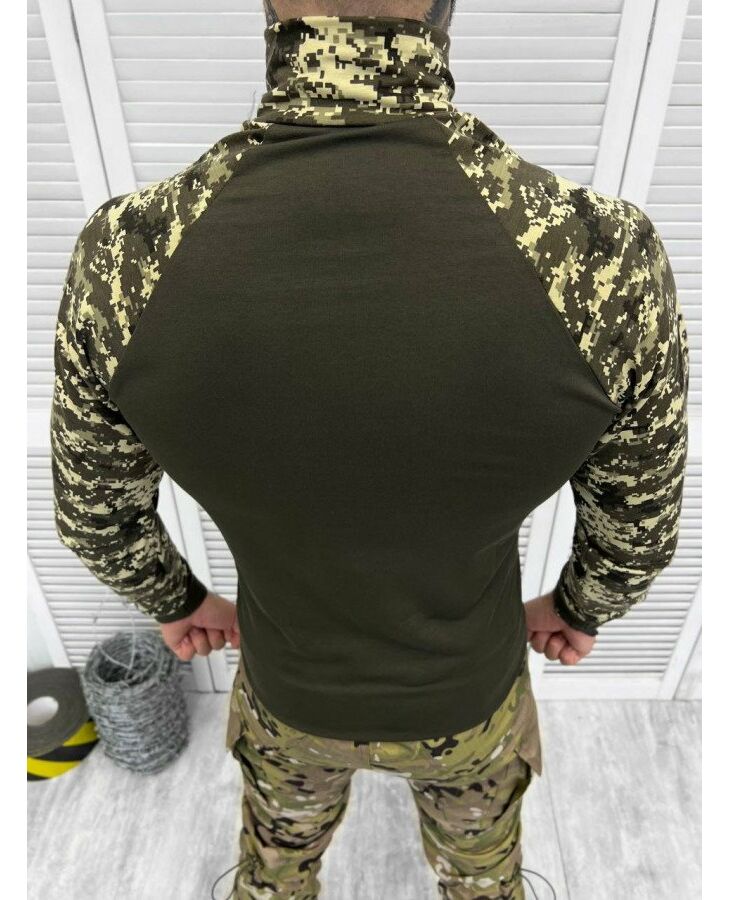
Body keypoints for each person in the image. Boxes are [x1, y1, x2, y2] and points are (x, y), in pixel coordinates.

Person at [49, 1, 689, 897]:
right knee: (484, 885)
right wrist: (581, 608)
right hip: (470, 698)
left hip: (288, 696)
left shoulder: (125, 258)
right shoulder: (602, 259)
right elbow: (639, 533)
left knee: (273, 881)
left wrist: (178, 599)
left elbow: (95, 518)